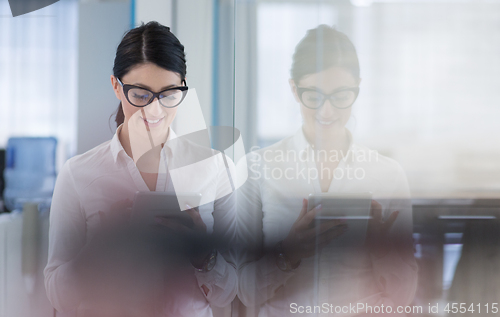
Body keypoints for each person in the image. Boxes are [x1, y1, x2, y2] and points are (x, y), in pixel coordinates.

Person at [44, 21, 237, 317]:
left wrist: (204, 256)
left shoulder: (214, 168)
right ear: (116, 87)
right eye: (140, 94)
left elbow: (229, 293)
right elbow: (57, 294)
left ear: (183, 85)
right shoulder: (77, 174)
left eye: (169, 94)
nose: (154, 110)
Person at [237, 25, 418, 316]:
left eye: (341, 96)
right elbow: (242, 291)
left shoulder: (388, 175)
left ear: (357, 88)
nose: (327, 111)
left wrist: (383, 253)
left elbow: (404, 295)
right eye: (314, 95)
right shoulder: (258, 168)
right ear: (294, 90)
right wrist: (288, 252)